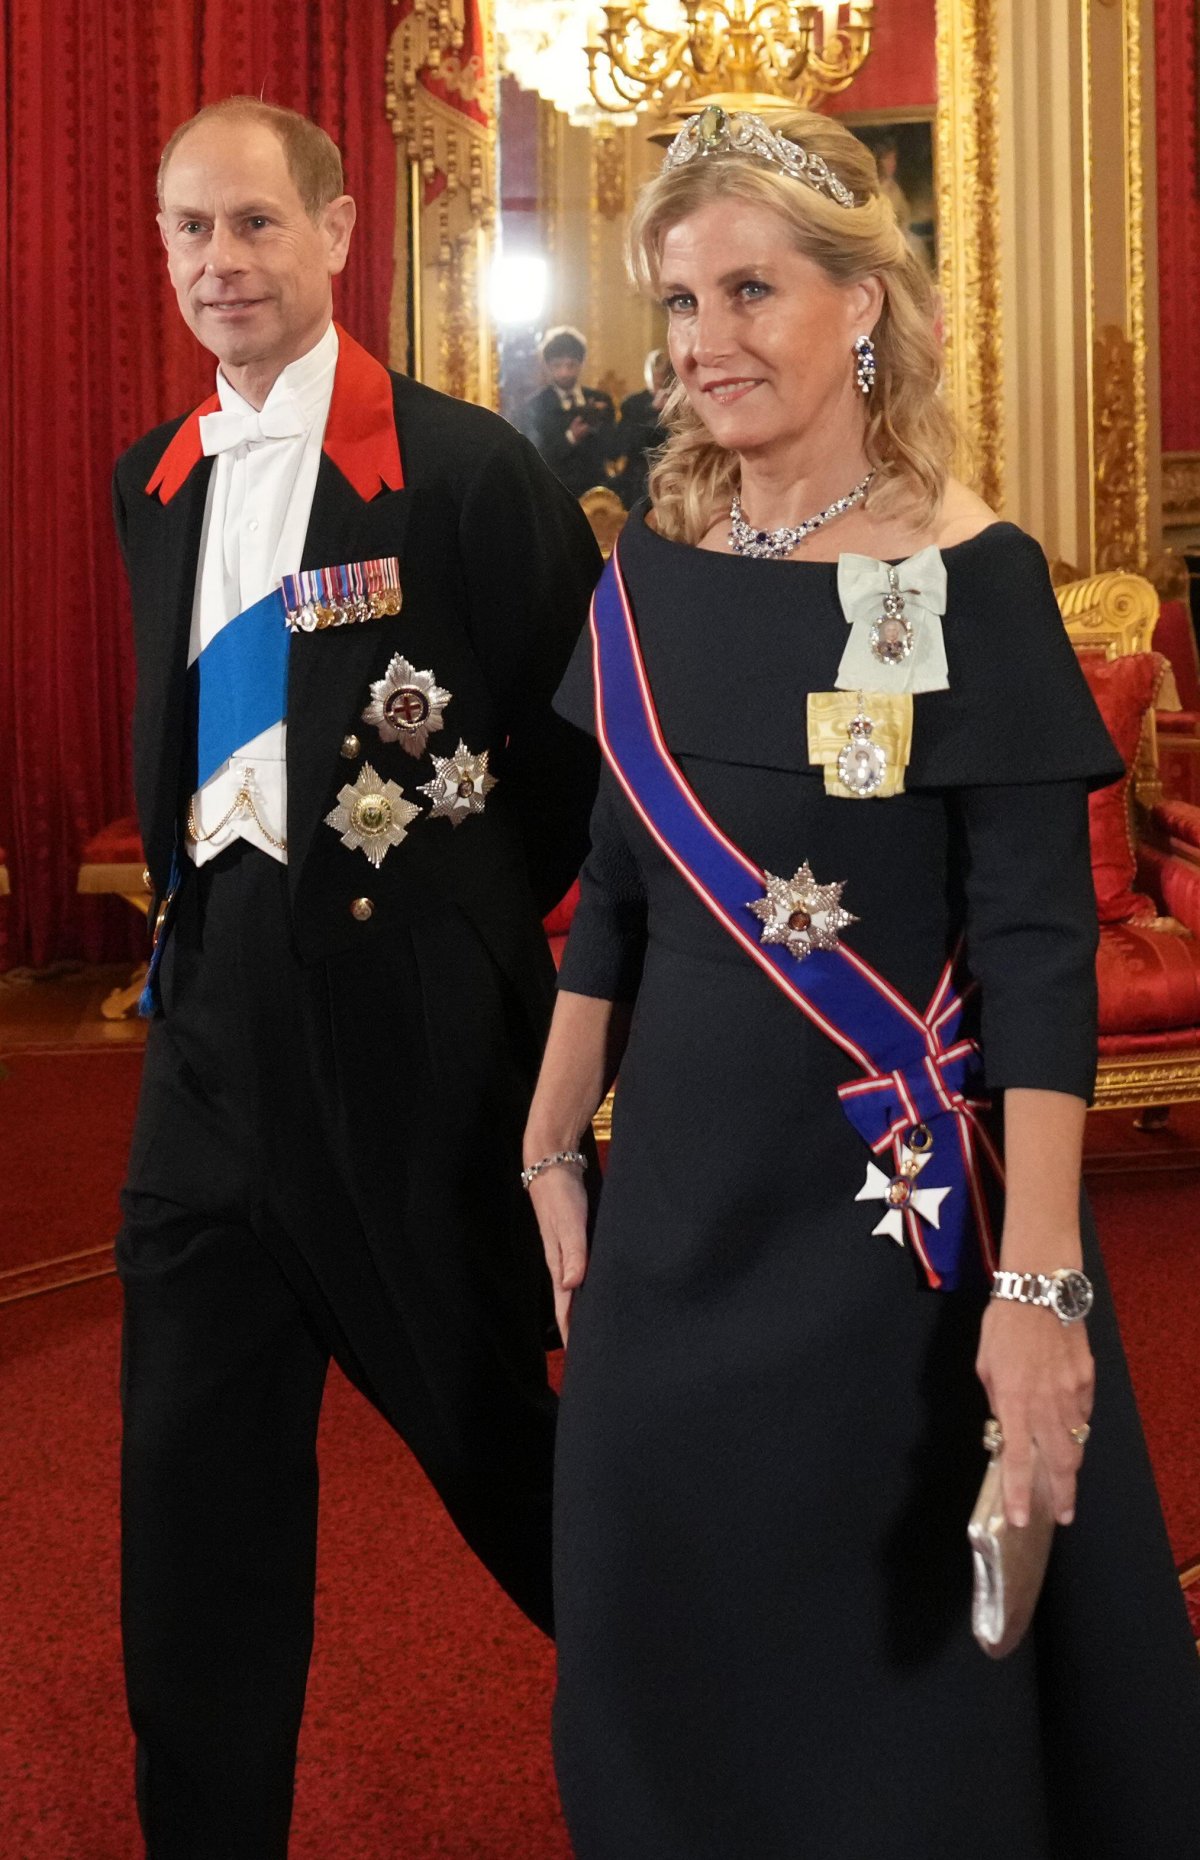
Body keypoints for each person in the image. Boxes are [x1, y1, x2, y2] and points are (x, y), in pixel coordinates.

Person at [523, 105, 1200, 1859]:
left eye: (753, 289)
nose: (705, 342)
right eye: (681, 300)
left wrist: (1040, 1292)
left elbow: (1041, 947)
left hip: (890, 1238)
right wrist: (545, 1149)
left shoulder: (966, 577)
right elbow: (612, 887)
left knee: (881, 1686)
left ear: (865, 309)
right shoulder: (652, 574)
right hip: (675, 1214)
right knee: (647, 1626)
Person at [112, 96, 599, 1857]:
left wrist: (455, 944)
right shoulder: (147, 479)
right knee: (191, 1488)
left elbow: (568, 766)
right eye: (189, 232)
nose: (220, 264)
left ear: (335, 235)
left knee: (506, 1444)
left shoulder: (469, 472)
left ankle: (745, 1745)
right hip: (204, 1038)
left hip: (409, 1044)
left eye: (254, 226)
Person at [518, 325, 619, 498]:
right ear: (548, 366)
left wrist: (596, 424)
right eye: (557, 366)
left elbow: (613, 451)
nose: (564, 372)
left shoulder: (600, 400)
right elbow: (535, 457)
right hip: (555, 492)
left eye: (571, 365)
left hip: (597, 491)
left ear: (581, 364)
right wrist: (570, 438)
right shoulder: (536, 406)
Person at [614, 347, 672, 509]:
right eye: (656, 378)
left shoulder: (679, 401)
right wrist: (653, 411)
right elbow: (627, 444)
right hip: (639, 476)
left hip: (672, 472)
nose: (659, 383)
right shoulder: (633, 404)